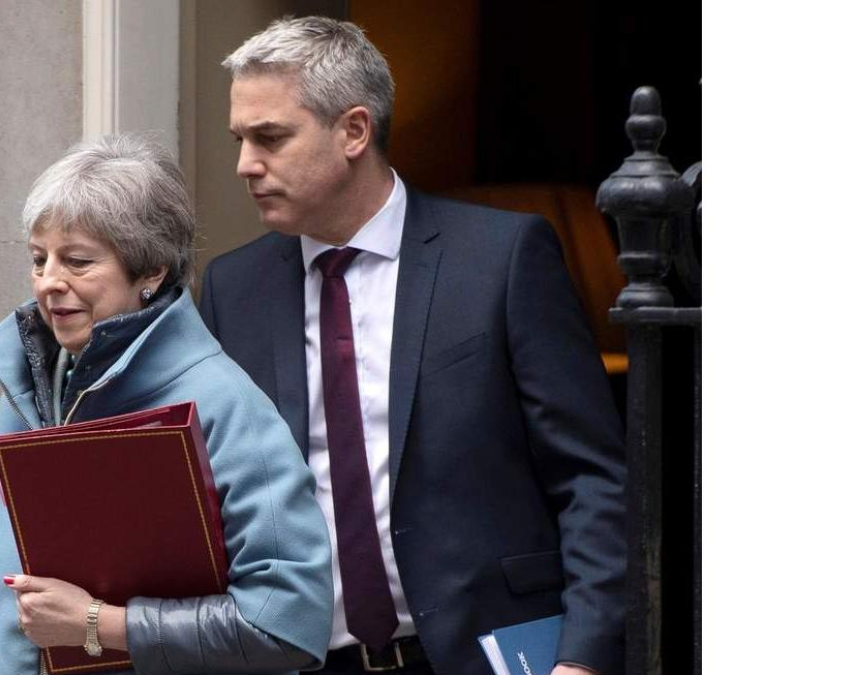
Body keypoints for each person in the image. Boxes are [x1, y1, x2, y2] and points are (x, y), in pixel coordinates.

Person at [199, 17, 626, 675]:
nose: (245, 164)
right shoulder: (234, 288)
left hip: (486, 656)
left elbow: (591, 477)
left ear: (354, 131)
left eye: (270, 138)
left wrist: (583, 657)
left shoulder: (501, 259)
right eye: (240, 139)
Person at [0, 133, 333, 675]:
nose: (49, 283)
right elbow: (21, 618)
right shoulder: (25, 388)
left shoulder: (226, 406)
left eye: (79, 261)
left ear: (152, 271)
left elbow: (287, 623)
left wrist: (96, 624)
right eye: (39, 260)